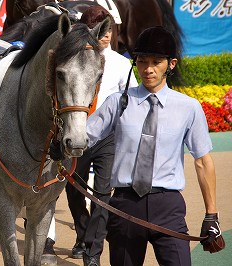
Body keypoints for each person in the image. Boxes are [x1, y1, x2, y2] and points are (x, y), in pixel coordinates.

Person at [86, 26, 223, 265]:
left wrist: (212, 215)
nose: (148, 69)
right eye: (141, 61)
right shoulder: (117, 102)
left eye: (156, 62)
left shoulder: (189, 107)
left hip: (168, 207)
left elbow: (202, 161)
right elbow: (82, 138)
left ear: (171, 64)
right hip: (124, 205)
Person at [63, 6, 138, 266]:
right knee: (74, 190)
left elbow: (130, 100)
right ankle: (83, 237)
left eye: (109, 29)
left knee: (103, 194)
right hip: (76, 132)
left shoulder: (121, 63)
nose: (107, 35)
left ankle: (92, 253)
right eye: (101, 29)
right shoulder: (71, 57)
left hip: (107, 136)